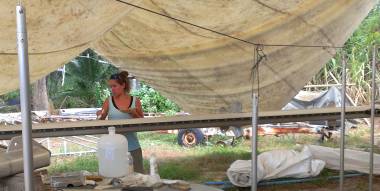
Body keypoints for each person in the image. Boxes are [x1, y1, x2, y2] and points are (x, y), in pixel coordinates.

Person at [97, 71, 144, 173]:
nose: (112, 89)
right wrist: (99, 114)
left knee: (138, 177)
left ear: (123, 85)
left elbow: (142, 122)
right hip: (113, 147)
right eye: (110, 86)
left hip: (132, 146)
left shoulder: (135, 100)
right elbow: (101, 119)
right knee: (114, 176)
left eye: (114, 86)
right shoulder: (108, 101)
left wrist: (133, 113)